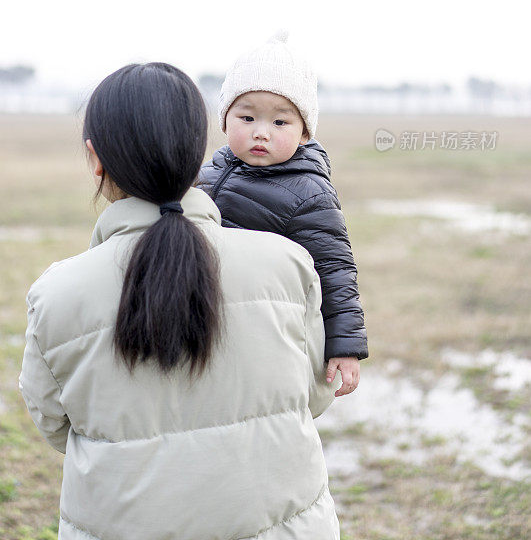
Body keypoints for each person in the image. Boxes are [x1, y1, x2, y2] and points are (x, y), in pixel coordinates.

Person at [19, 62, 340, 540]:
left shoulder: (56, 292)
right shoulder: (288, 263)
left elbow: (54, 424)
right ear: (198, 155)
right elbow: (314, 395)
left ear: (95, 159)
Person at [197, 31, 368, 397]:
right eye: (247, 117)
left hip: (264, 329)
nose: (261, 133)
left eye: (280, 122)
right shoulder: (206, 173)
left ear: (304, 132)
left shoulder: (309, 191)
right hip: (205, 313)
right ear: (224, 120)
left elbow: (336, 268)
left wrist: (345, 346)